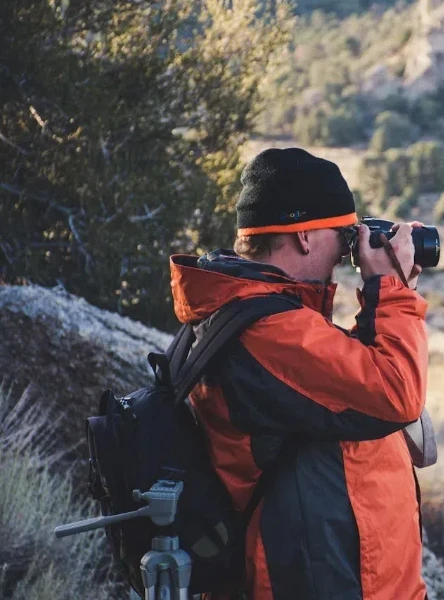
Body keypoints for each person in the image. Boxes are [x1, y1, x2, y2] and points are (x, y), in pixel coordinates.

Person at [168, 147, 429, 600]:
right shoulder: (264, 327)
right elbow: (394, 392)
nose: (349, 251)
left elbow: (334, 377)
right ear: (305, 237)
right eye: (344, 234)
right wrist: (391, 289)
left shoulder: (265, 313)